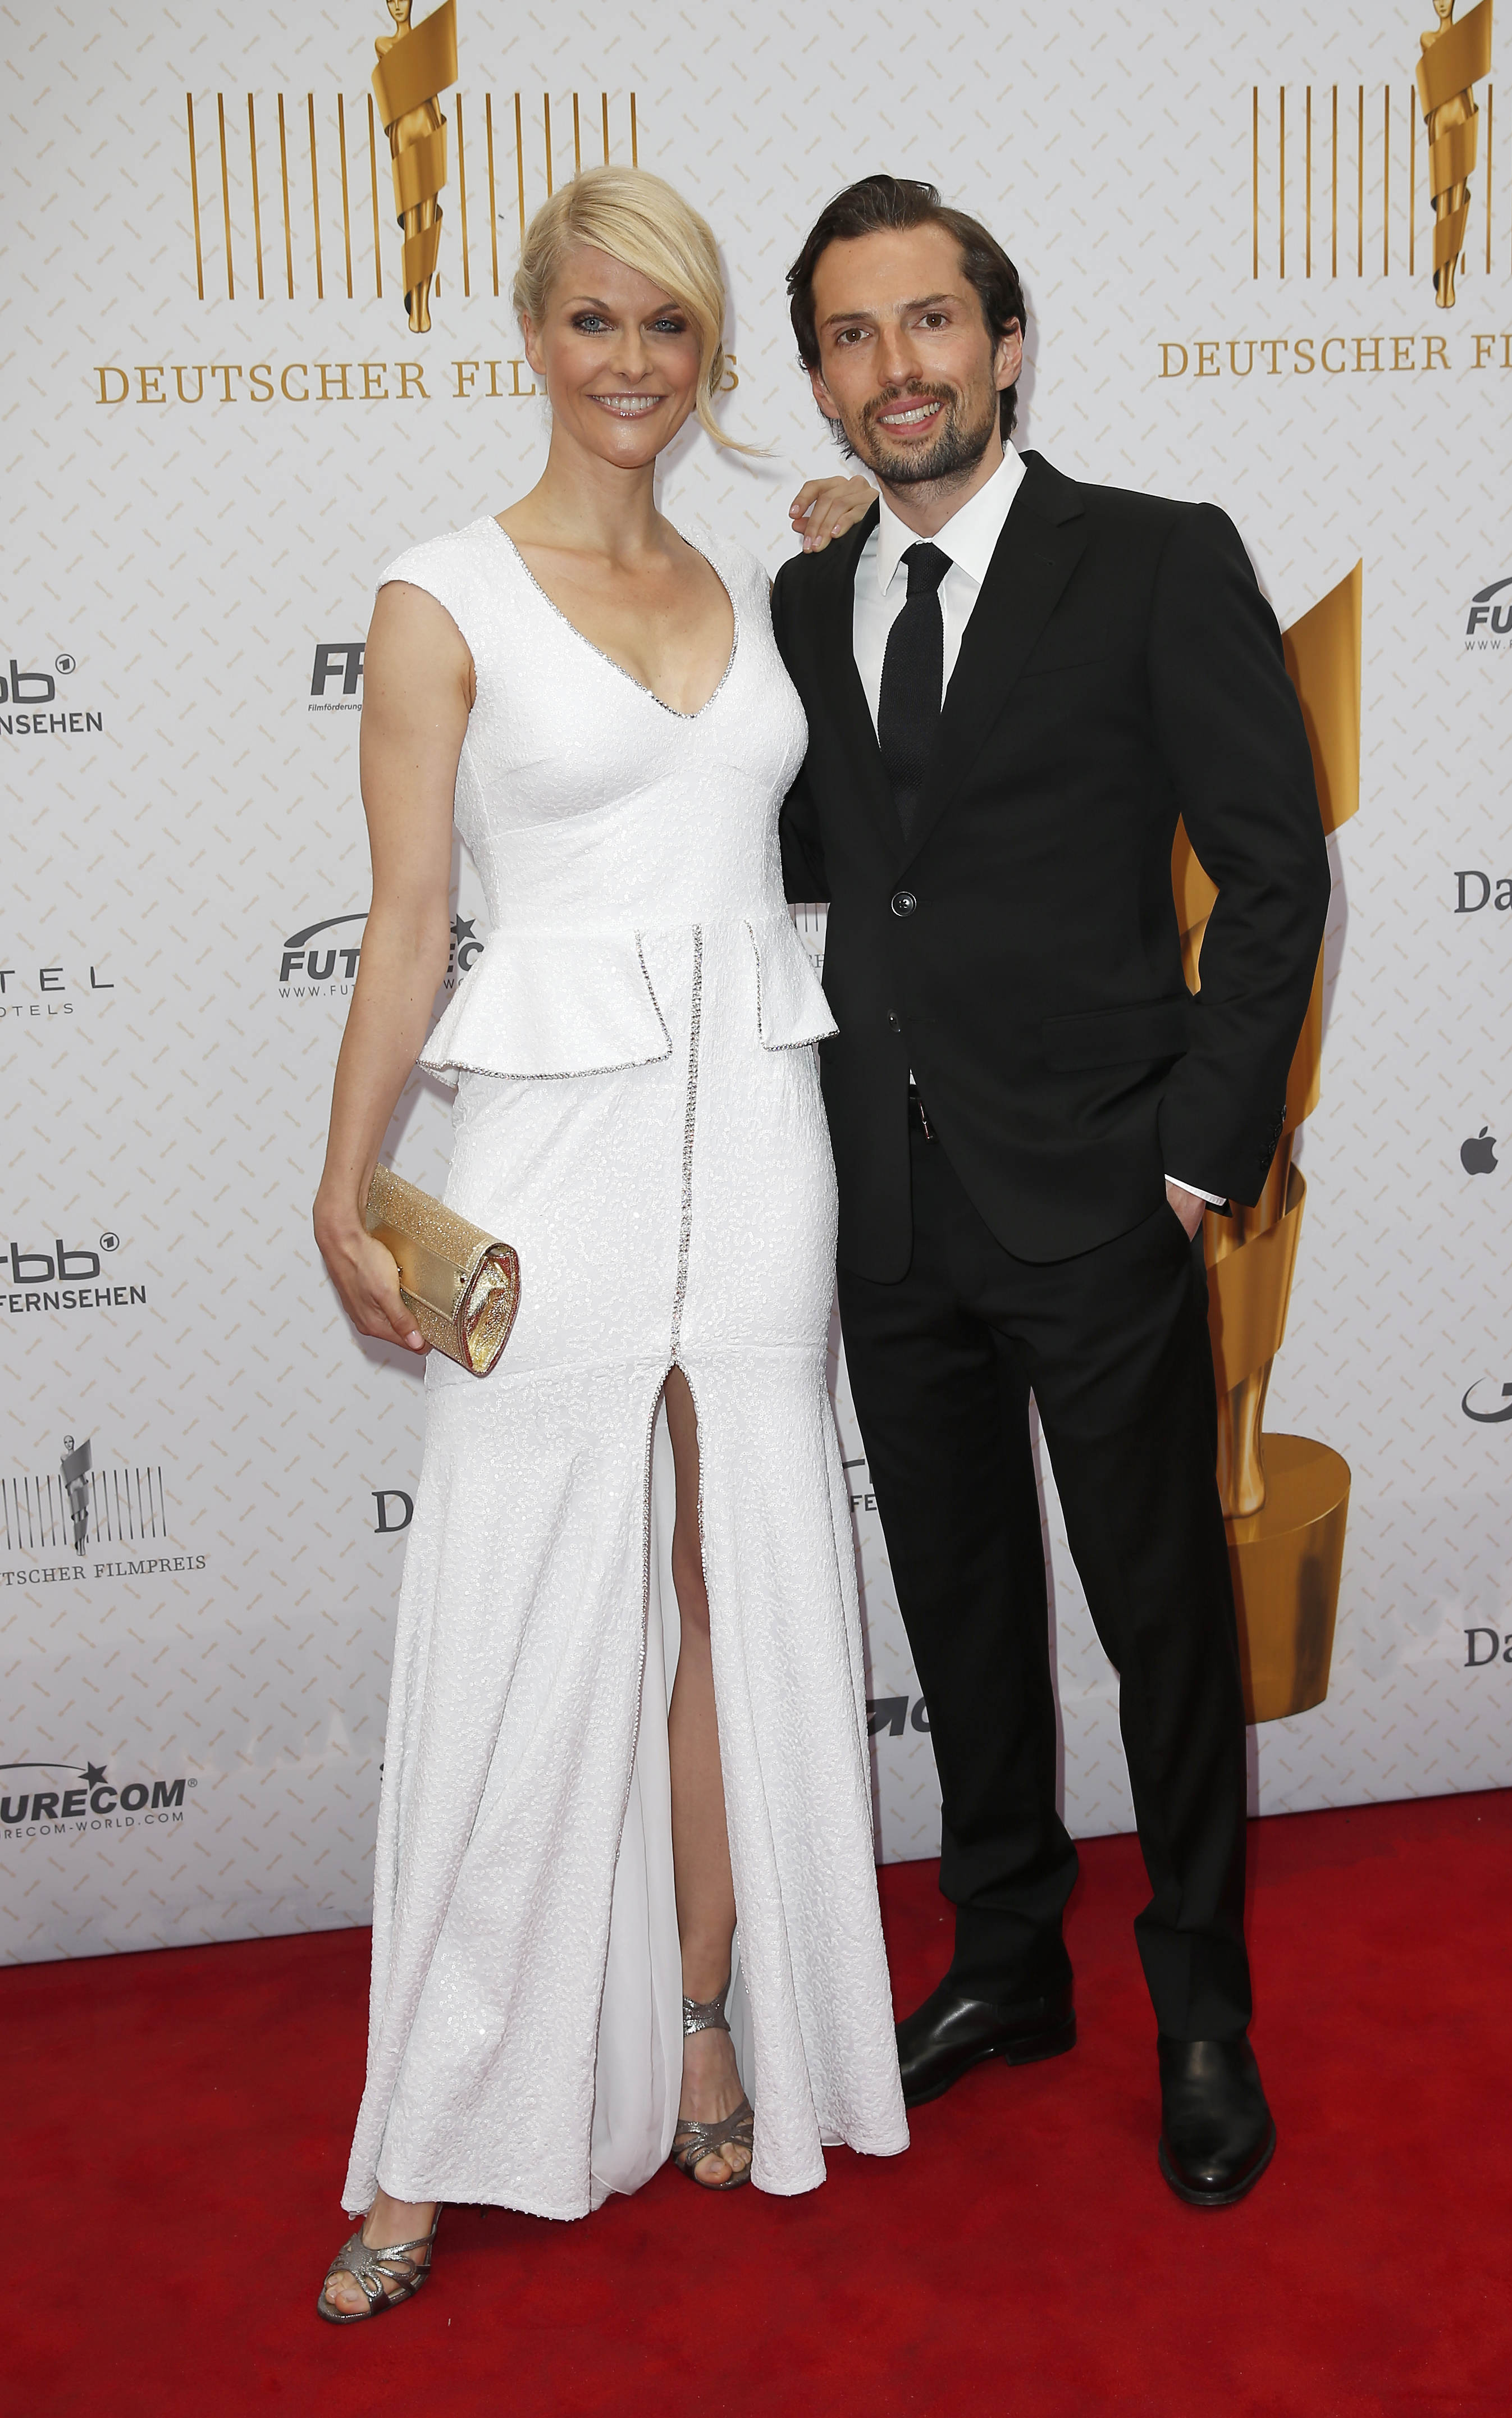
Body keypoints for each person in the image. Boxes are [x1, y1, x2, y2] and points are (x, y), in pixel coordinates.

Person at [311, 163, 906, 2323]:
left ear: (710, 350)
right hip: (550, 1147)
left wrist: (851, 540)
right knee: (516, 1614)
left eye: (667, 325)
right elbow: (408, 921)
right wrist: (344, 1176)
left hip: (757, 1134)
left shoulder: (767, 584)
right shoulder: (440, 593)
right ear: (532, 333)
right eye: (593, 319)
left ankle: (706, 2013)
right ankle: (424, 2129)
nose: (630, 361)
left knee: (739, 1581)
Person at [771, 175, 1331, 2207]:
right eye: (850, 335)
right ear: (821, 380)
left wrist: (1190, 1161)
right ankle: (1009, 1960)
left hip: (1101, 1195)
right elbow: (832, 890)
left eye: (929, 321)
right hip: (885, 1205)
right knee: (962, 1612)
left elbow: (1276, 875)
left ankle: (1202, 2011)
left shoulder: (1161, 557)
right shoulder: (802, 604)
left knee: (1161, 1618)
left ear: (1005, 345)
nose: (895, 367)